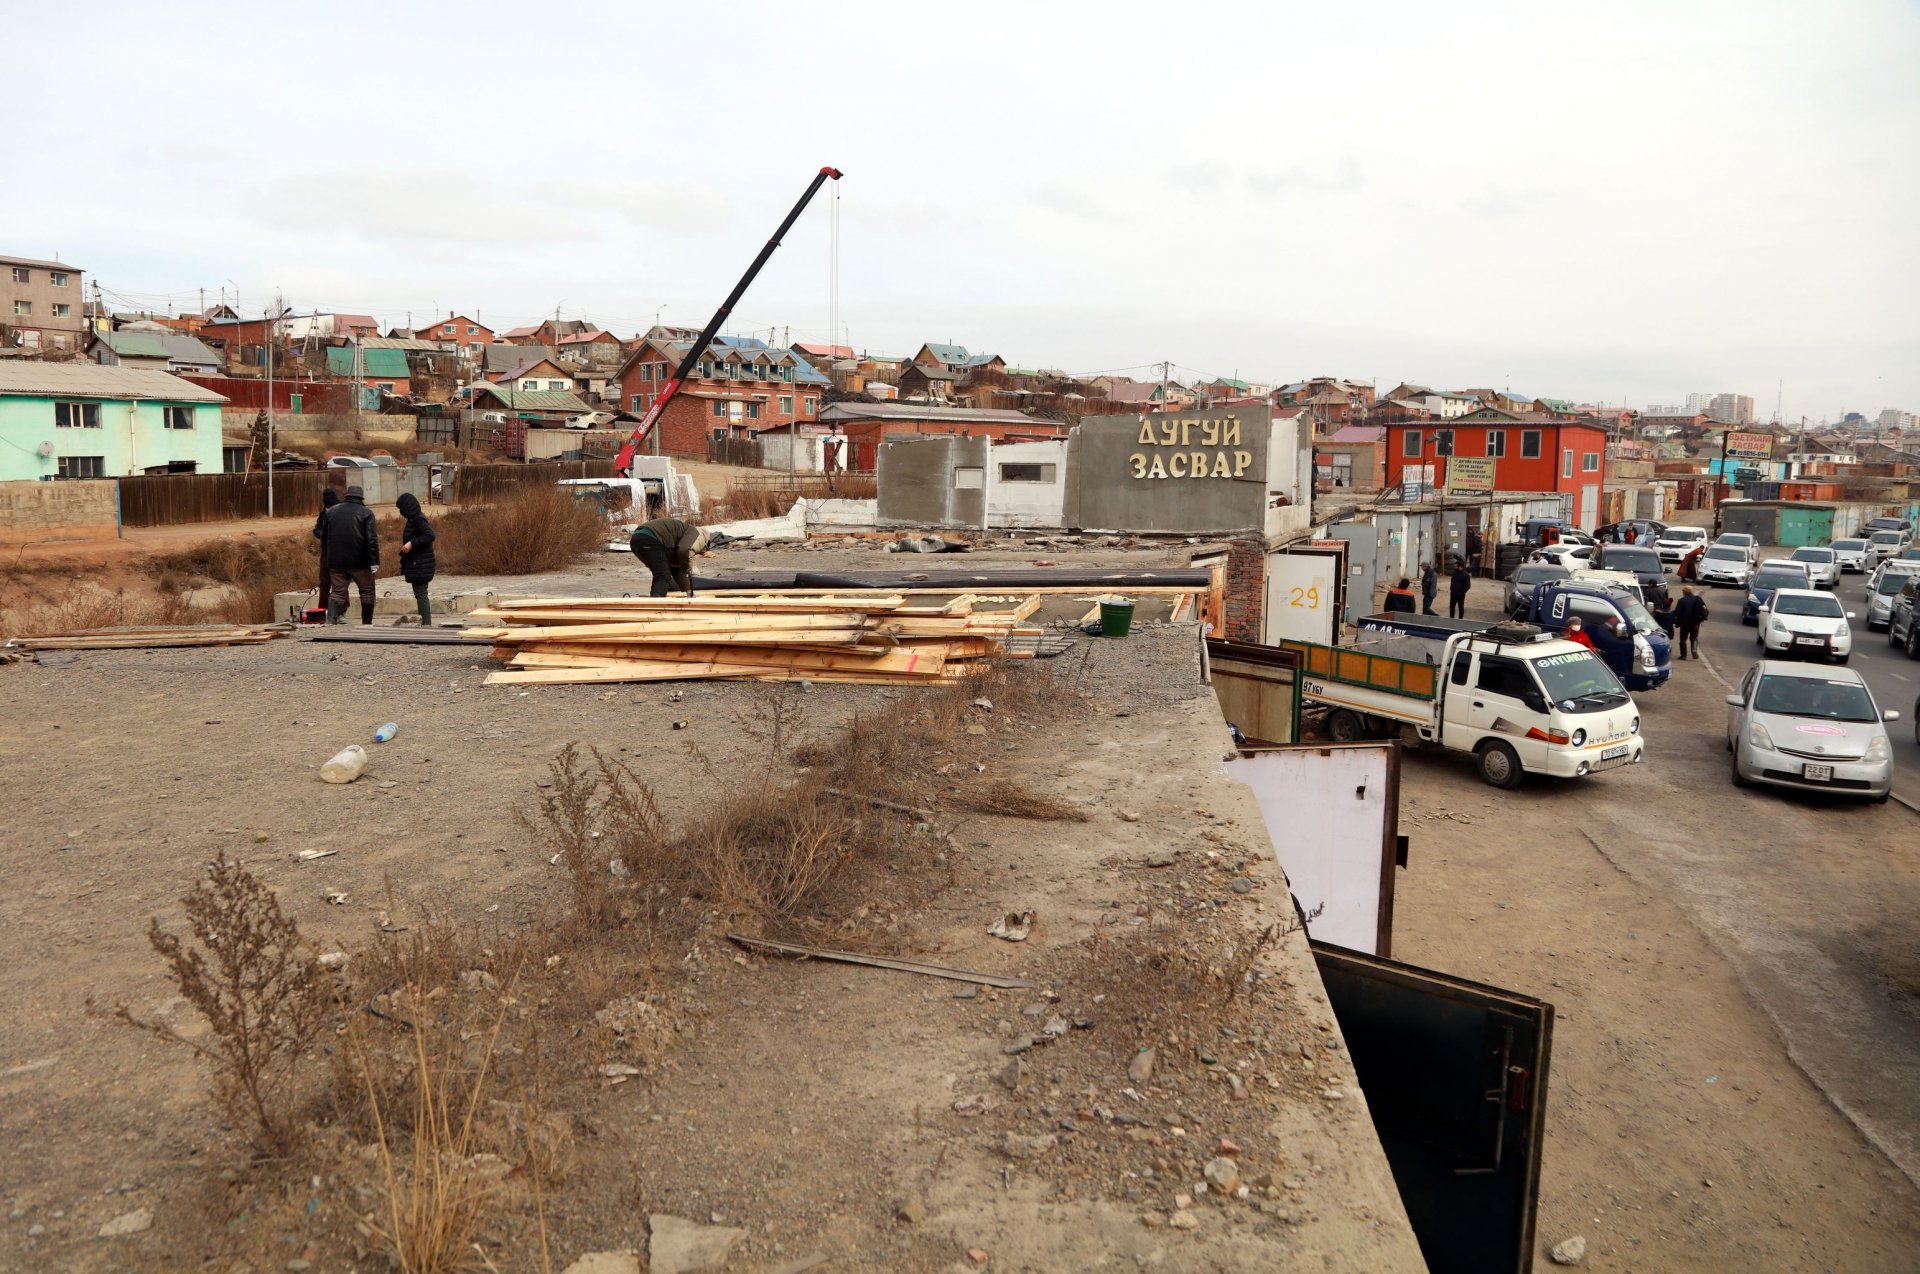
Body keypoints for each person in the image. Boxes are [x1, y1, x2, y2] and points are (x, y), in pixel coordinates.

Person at [322, 484, 379, 625]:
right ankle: (366, 624)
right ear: (361, 498)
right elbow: (371, 540)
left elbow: (324, 537)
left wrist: (328, 558)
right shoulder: (366, 513)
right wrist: (374, 562)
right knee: (367, 592)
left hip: (336, 563)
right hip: (360, 563)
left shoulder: (331, 512)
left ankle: (331, 622)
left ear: (346, 496)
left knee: (337, 592)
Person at [629, 516, 707, 597]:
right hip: (650, 538)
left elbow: (676, 569)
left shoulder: (677, 538)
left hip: (636, 539)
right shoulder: (694, 533)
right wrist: (688, 569)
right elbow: (684, 550)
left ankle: (655, 602)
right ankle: (656, 606)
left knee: (661, 574)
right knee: (663, 577)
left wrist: (688, 590)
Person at [396, 492, 437, 626]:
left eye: (402, 509)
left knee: (421, 595)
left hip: (421, 564)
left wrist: (411, 543)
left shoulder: (419, 519)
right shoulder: (413, 519)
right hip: (418, 563)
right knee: (420, 594)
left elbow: (430, 535)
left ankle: (426, 625)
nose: (401, 512)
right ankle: (424, 623)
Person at [311, 487, 339, 610]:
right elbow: (317, 530)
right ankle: (323, 610)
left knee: (339, 585)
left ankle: (339, 611)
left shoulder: (341, 512)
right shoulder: (323, 514)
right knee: (324, 584)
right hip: (326, 554)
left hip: (340, 554)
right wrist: (323, 533)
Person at [1672, 585, 1707, 659]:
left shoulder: (1681, 600)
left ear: (1684, 592)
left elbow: (1678, 612)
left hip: (1685, 623)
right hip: (1696, 623)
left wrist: (1676, 619)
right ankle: (1694, 650)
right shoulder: (1698, 599)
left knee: (1683, 639)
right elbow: (1704, 609)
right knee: (1694, 637)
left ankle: (1683, 655)